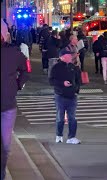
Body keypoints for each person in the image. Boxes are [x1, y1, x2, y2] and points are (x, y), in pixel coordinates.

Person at [1, 18, 29, 180]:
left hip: (7, 104)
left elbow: (25, 70)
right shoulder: (14, 53)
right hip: (8, 103)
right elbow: (25, 71)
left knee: (4, 146)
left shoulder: (13, 53)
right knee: (4, 145)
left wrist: (17, 85)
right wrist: (17, 85)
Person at [49, 48, 81, 144]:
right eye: (68, 55)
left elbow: (78, 80)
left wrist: (76, 90)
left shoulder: (74, 67)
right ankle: (59, 135)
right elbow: (51, 81)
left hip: (72, 95)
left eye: (70, 55)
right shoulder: (56, 67)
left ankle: (71, 137)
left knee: (72, 117)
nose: (70, 57)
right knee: (60, 117)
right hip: (60, 95)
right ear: (62, 57)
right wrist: (62, 83)